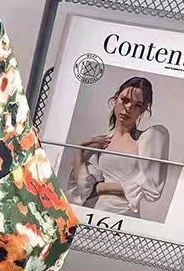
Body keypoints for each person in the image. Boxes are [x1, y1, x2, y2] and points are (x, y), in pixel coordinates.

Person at [68, 76, 170, 218]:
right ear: (116, 99)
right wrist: (80, 149)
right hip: (93, 213)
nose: (128, 108)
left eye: (137, 105)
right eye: (125, 100)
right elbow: (81, 189)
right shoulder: (102, 143)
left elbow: (151, 189)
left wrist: (102, 187)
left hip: (123, 216)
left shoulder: (148, 138)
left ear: (143, 109)